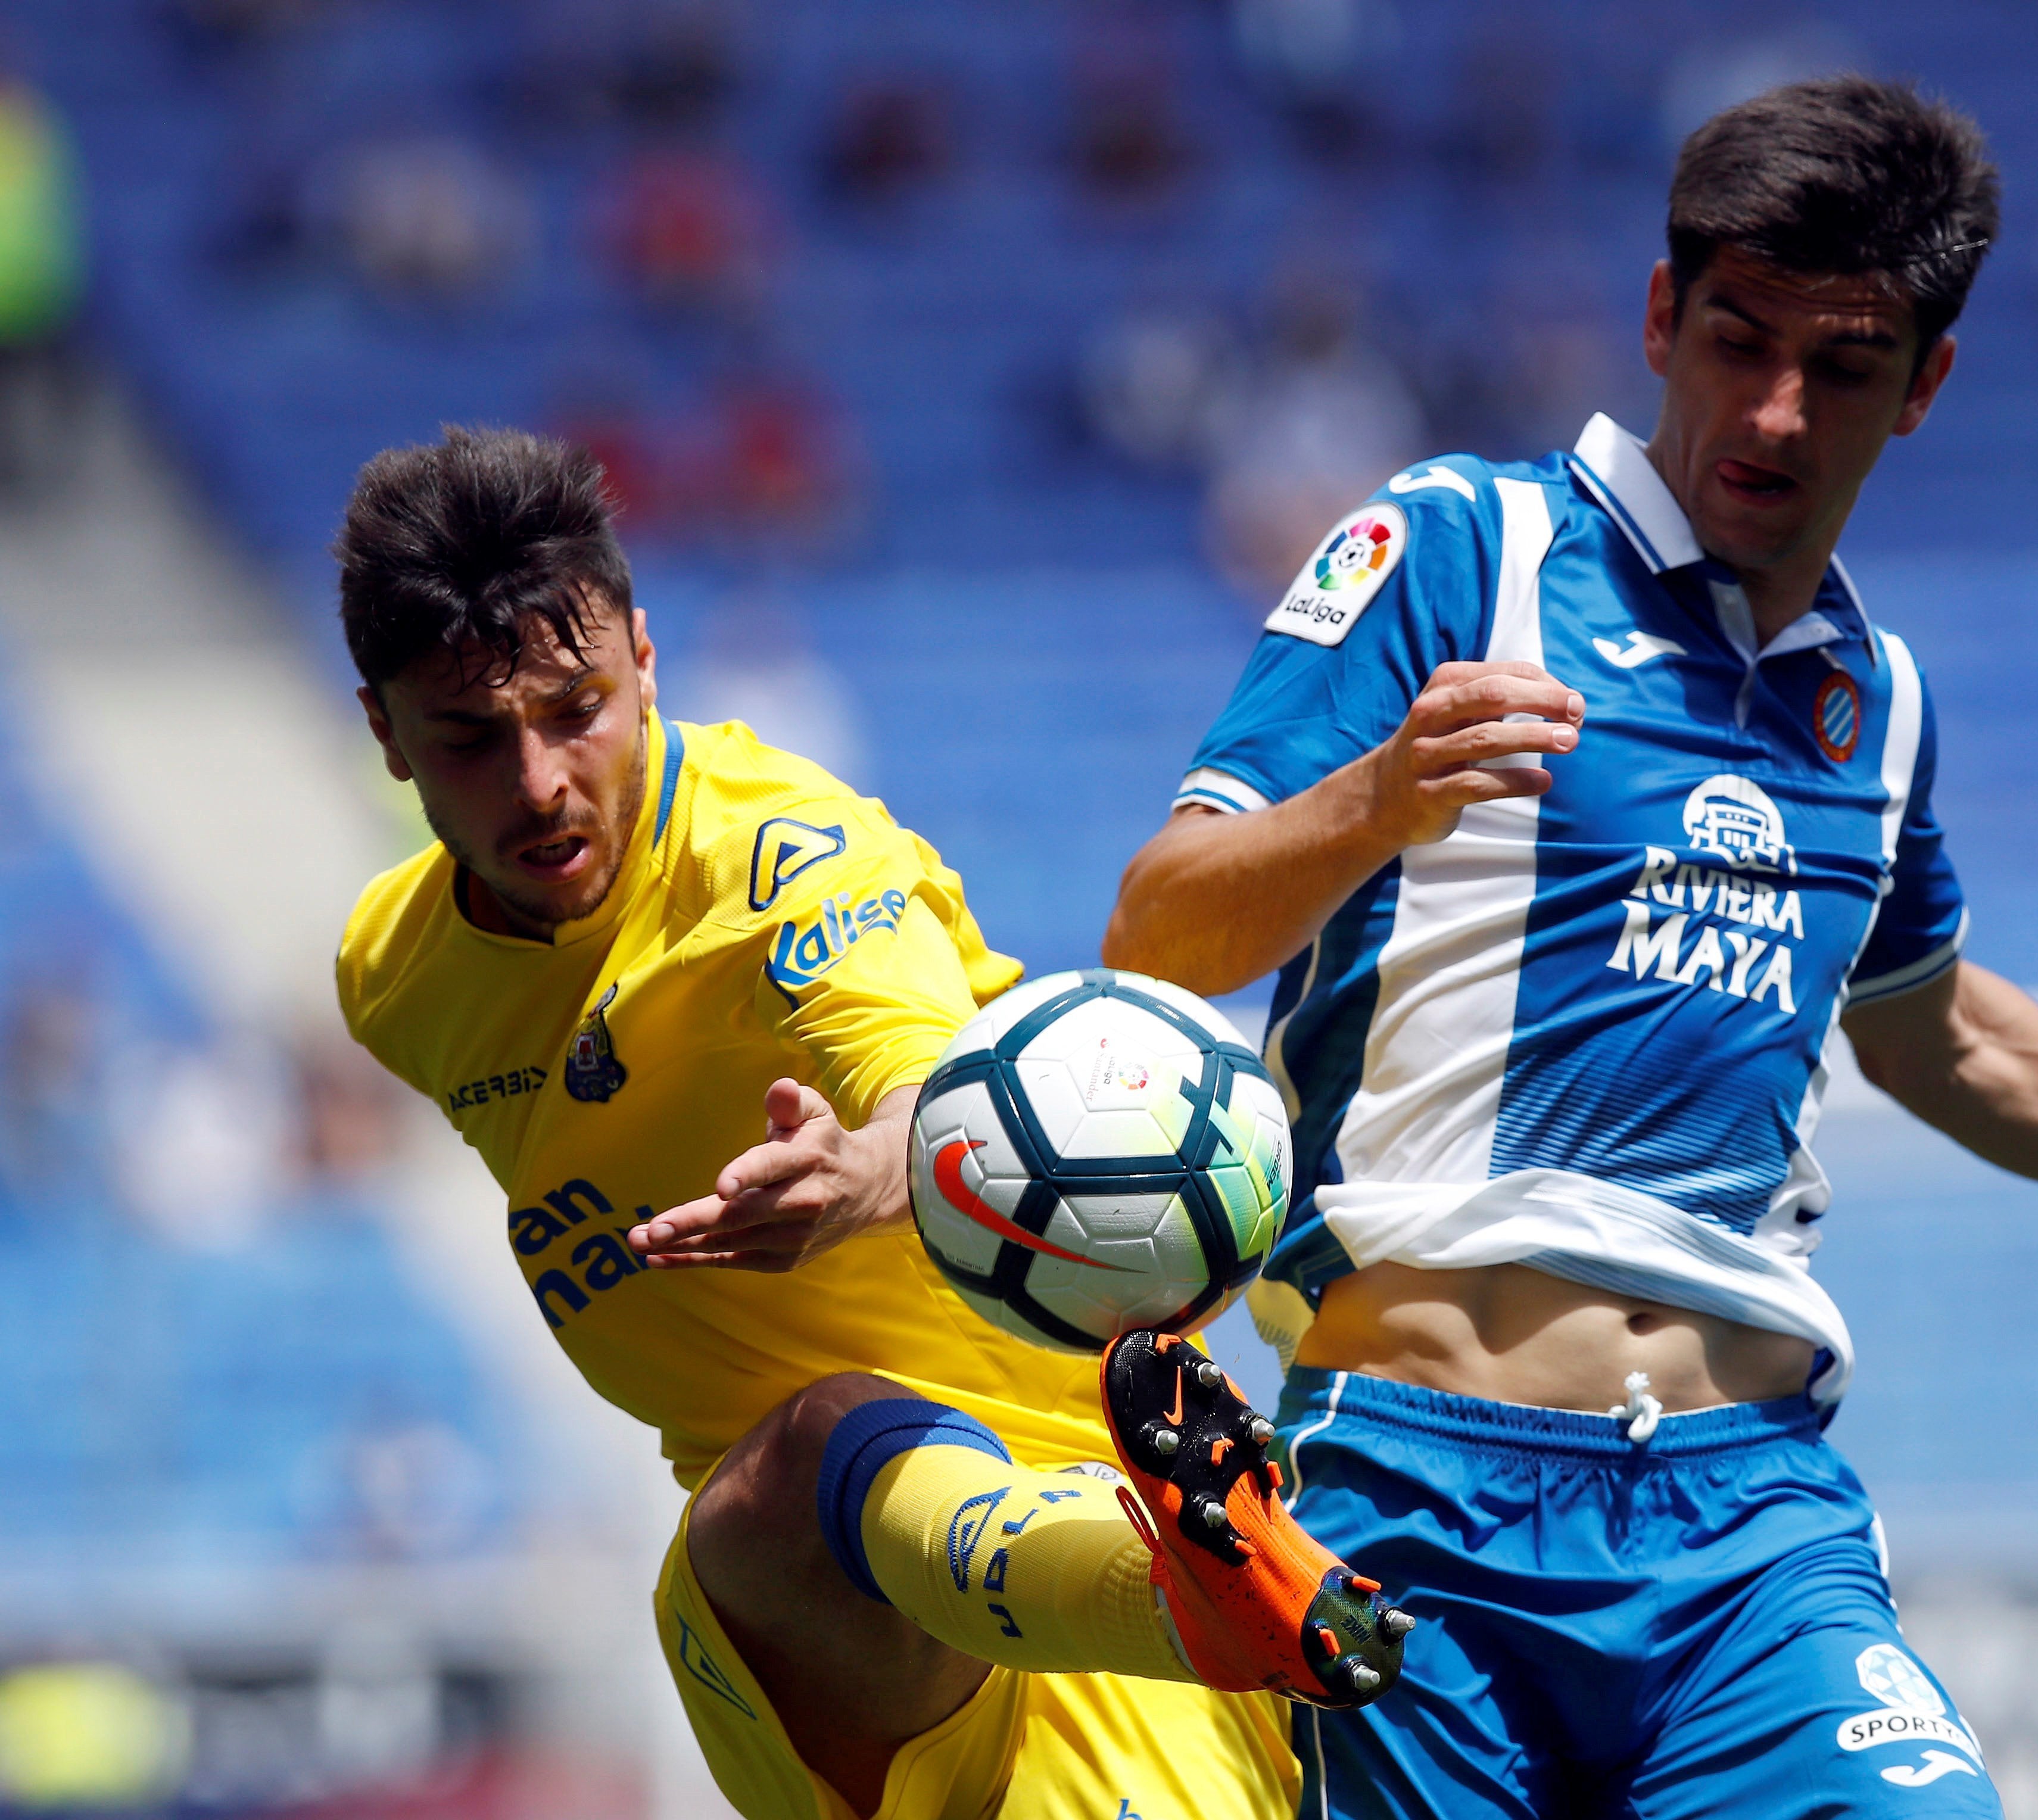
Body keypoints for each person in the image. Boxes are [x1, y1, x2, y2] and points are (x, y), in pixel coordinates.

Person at [1105, 76, 2038, 1819]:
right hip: (1411, 1498)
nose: (1778, 411)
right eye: (1738, 340)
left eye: (1847, 365)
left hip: (1747, 1522)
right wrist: (1374, 800)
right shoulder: (1461, 550)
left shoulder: (1870, 706)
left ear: (1925, 387)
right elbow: (1158, 925)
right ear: (1661, 317)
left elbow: (1928, 1027)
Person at [331, 428, 1401, 1820]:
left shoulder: (786, 855)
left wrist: (866, 1170)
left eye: (576, 708)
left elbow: (916, 1073)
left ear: (647, 660)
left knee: (809, 1444)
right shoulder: (396, 978)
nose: (539, 781)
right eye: (471, 737)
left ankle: (1197, 1596)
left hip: (1086, 1502)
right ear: (384, 735)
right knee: (777, 1478)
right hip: (814, 1617)